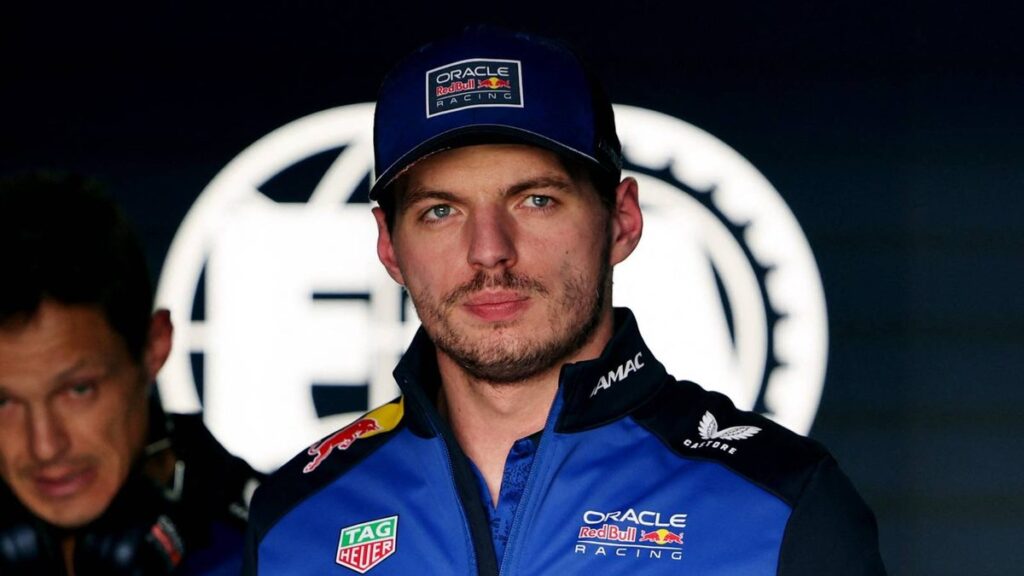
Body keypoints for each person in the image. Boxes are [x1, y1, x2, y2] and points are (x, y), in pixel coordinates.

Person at [244, 26, 887, 575]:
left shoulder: (780, 504)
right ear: (389, 247)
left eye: (536, 200)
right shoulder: (296, 524)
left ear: (621, 221)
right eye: (440, 211)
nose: (489, 251)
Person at [0, 173, 262, 575]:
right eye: (4, 402)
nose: (45, 446)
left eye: (78, 390)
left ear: (154, 347)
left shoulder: (274, 545)